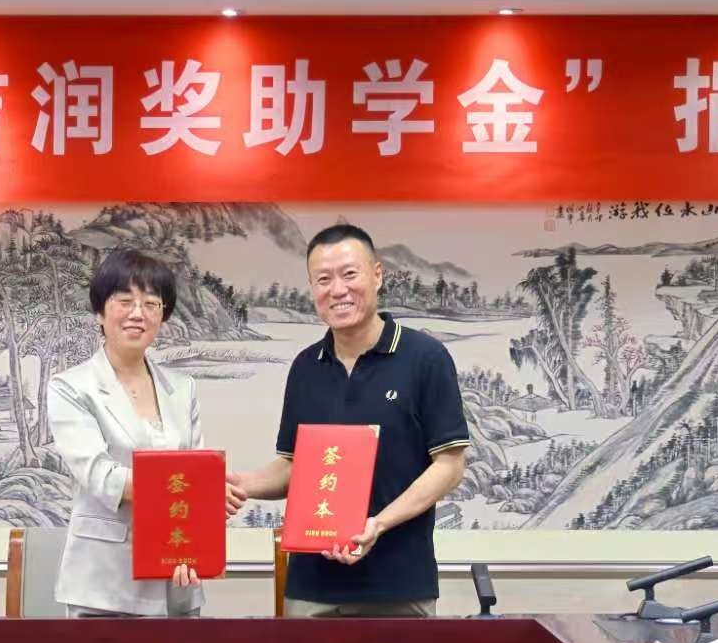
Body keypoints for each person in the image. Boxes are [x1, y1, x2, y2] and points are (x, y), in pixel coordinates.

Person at [232, 224, 469, 616]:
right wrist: (239, 484)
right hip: (311, 587)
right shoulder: (306, 366)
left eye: (349, 274)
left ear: (377, 275)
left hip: (398, 584)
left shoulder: (425, 358)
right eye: (323, 280)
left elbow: (450, 466)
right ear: (312, 289)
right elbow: (294, 466)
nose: (338, 290)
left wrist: (378, 523)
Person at [47, 249, 242, 617]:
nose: (138, 313)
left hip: (177, 574)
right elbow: (100, 475)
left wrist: (206, 514)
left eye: (152, 303)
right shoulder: (71, 387)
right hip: (105, 583)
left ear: (163, 316)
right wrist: (202, 490)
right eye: (125, 301)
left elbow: (195, 466)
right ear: (100, 312)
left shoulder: (182, 388)